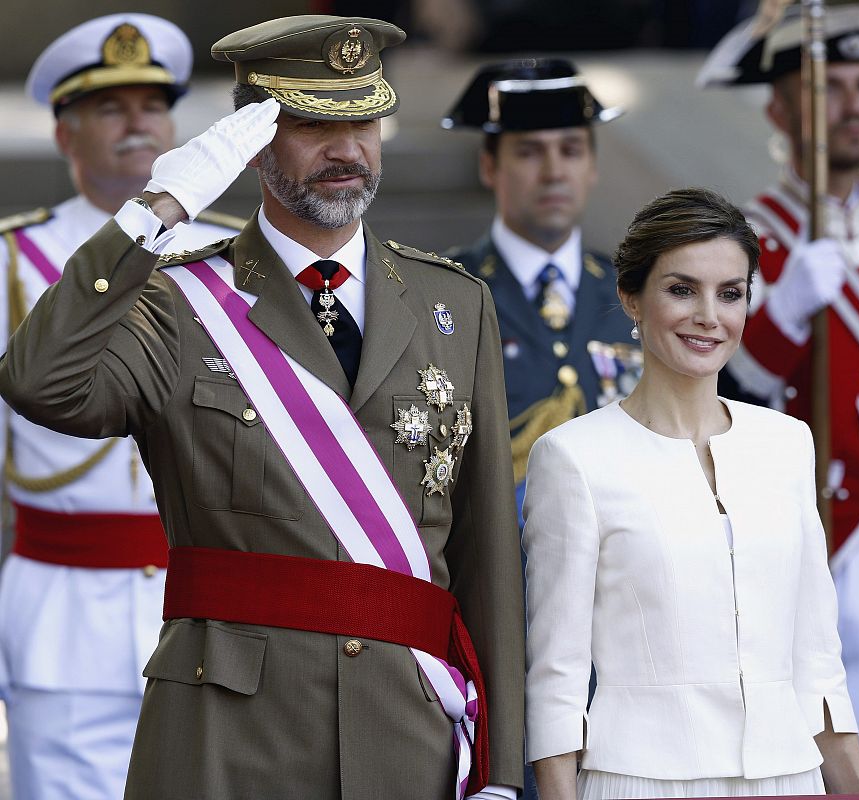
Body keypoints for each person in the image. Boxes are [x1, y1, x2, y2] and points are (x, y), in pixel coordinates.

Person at [0, 14, 524, 800]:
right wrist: (154, 213)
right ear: (253, 140)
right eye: (314, 124)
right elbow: (41, 382)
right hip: (230, 738)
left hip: (405, 728)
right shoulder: (178, 302)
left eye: (364, 120)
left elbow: (485, 553)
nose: (346, 150)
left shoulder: (454, 302)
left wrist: (501, 771)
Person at [523, 187, 859, 799]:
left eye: (730, 293)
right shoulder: (573, 458)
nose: (709, 315)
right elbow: (557, 677)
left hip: (787, 778)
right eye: (682, 290)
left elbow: (818, 668)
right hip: (640, 782)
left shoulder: (788, 444)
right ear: (631, 297)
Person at [0, 13, 243, 800]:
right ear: (65, 135)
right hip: (65, 622)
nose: (138, 121)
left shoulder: (239, 254)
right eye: (111, 107)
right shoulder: (9, 259)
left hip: (218, 613)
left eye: (153, 105)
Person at [698, 4, 859, 791]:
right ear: (782, 109)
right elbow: (712, 397)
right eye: (831, 88)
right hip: (795, 543)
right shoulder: (745, 243)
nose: (852, 104)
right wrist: (780, 312)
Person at [442, 59, 641, 524]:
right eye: (530, 152)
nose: (554, 172)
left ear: (592, 166)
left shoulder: (634, 291)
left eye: (571, 150)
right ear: (489, 166)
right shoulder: (448, 292)